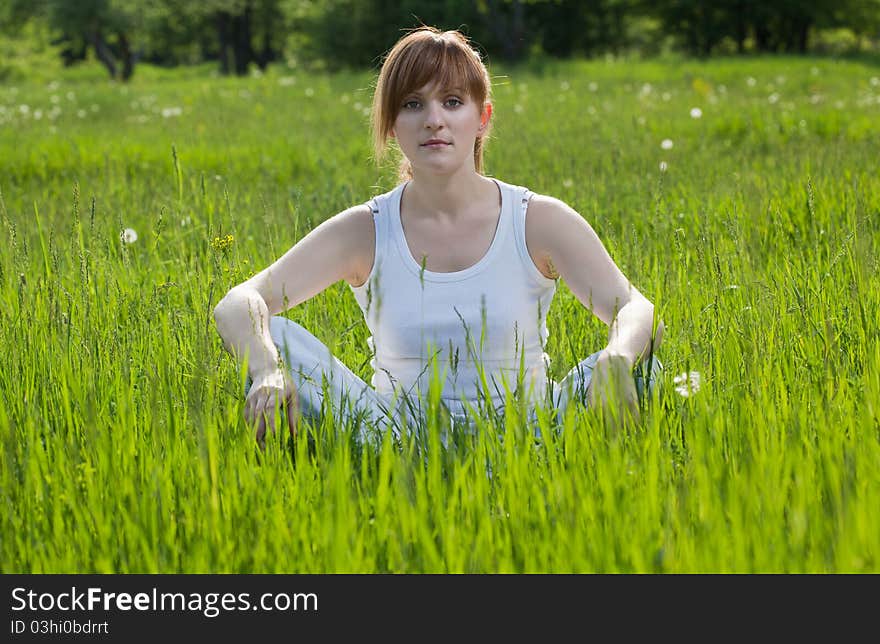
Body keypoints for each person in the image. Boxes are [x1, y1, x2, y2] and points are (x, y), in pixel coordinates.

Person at [213, 27, 664, 447]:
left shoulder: (536, 220)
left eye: (452, 101)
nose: (433, 120)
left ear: (482, 117)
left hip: (529, 435)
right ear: (391, 125)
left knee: (642, 367)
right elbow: (238, 303)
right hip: (393, 440)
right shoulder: (367, 229)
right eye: (412, 104)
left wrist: (618, 357)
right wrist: (268, 369)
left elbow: (636, 308)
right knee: (276, 337)